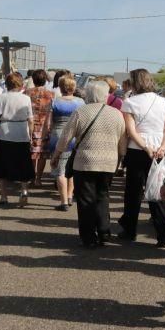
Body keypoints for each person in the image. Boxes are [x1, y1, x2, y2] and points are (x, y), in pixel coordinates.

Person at [51, 81, 127, 247]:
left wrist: (56, 155)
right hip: (108, 162)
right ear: (105, 95)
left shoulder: (81, 112)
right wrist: (120, 160)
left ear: (88, 95)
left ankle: (88, 237)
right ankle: (104, 231)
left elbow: (66, 137)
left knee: (86, 199)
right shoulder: (116, 114)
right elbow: (122, 143)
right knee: (103, 196)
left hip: (84, 162)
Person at [120, 68, 165, 245]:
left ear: (134, 83)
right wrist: (163, 146)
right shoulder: (163, 101)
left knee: (133, 193)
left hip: (137, 150)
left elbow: (131, 130)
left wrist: (145, 147)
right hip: (159, 150)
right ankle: (163, 232)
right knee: (158, 190)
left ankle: (130, 230)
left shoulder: (129, 103)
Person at [0, 72, 35, 207]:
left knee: (1, 166)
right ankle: (24, 191)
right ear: (20, 84)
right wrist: (30, 135)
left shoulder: (1, 97)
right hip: (21, 134)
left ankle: (4, 197)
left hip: (4, 135)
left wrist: (0, 118)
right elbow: (31, 120)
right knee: (23, 165)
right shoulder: (26, 99)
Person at [47, 76, 84, 211]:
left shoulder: (54, 102)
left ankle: (63, 202)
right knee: (72, 168)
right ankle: (69, 196)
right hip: (75, 137)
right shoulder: (81, 102)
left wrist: (47, 134)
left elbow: (48, 124)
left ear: (61, 87)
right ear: (73, 87)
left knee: (59, 170)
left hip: (58, 135)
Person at [25, 70, 54, 187]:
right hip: (45, 126)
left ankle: (32, 177)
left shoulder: (27, 93)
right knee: (42, 154)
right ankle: (38, 179)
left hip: (30, 125)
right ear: (45, 80)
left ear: (33, 79)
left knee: (32, 153)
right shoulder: (51, 94)